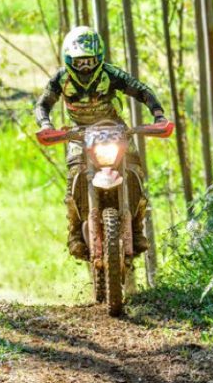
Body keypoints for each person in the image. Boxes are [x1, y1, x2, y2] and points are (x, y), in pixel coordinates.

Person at [34, 26, 168, 260]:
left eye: (90, 61)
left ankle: (137, 227)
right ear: (69, 60)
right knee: (74, 174)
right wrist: (45, 124)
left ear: (99, 58)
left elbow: (141, 90)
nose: (85, 67)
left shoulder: (111, 74)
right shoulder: (61, 78)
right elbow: (43, 104)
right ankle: (75, 232)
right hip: (79, 133)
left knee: (135, 169)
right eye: (79, 62)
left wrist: (158, 114)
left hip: (114, 128)